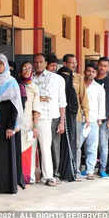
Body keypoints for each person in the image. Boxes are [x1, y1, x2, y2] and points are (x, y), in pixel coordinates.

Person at [0, 53, 24, 193]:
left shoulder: (11, 82)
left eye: (1, 64)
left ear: (6, 66)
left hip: (5, 122)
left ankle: (6, 186)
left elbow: (15, 107)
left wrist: (11, 127)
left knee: (4, 153)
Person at [33, 53, 67, 187]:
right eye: (35, 62)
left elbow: (62, 102)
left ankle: (48, 176)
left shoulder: (57, 79)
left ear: (46, 63)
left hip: (45, 117)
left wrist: (62, 121)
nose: (37, 65)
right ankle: (29, 176)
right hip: (29, 117)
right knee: (30, 147)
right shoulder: (30, 77)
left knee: (45, 147)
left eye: (40, 62)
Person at [63, 54, 89, 180]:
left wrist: (87, 115)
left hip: (76, 116)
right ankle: (64, 170)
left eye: (75, 63)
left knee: (77, 144)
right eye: (71, 62)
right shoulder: (60, 77)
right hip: (62, 116)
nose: (74, 65)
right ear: (65, 64)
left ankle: (76, 170)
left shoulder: (79, 78)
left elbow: (84, 98)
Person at [78, 64, 106, 180]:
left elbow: (101, 104)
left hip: (93, 121)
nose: (91, 73)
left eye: (93, 71)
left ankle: (90, 171)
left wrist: (100, 119)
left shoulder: (99, 88)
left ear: (96, 74)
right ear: (84, 72)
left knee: (92, 148)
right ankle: (76, 170)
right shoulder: (79, 85)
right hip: (80, 120)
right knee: (77, 146)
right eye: (88, 71)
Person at [19, 61, 41, 184]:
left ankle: (28, 176)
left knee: (28, 150)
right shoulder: (16, 84)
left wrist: (35, 126)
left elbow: (36, 109)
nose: (26, 71)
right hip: (17, 122)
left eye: (29, 68)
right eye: (24, 68)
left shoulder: (34, 87)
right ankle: (17, 175)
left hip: (28, 123)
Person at [95, 57, 109, 177]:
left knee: (103, 144)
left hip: (105, 117)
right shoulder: (92, 79)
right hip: (92, 116)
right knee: (91, 144)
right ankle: (90, 167)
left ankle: (102, 169)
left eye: (105, 66)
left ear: (108, 67)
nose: (102, 68)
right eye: (101, 65)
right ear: (97, 65)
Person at [57, 66, 78, 181]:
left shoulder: (71, 90)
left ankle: (68, 172)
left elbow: (75, 108)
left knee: (68, 145)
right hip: (56, 119)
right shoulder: (56, 89)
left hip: (69, 122)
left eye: (67, 75)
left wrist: (66, 111)